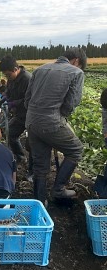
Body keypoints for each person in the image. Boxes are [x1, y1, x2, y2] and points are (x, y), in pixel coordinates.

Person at [24, 47, 87, 205]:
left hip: (31, 121)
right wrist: (59, 117)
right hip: (51, 121)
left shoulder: (39, 69)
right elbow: (70, 104)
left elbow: (27, 99)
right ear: (76, 61)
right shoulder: (76, 72)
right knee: (75, 150)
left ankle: (39, 200)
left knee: (40, 164)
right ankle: (58, 189)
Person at [0, 55, 32, 166]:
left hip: (30, 115)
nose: (7, 77)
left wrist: (14, 103)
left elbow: (30, 99)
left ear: (16, 69)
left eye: (8, 74)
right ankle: (20, 157)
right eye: (5, 75)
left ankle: (33, 169)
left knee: (32, 143)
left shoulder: (27, 79)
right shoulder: (11, 79)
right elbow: (8, 91)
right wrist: (5, 96)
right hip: (19, 114)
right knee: (10, 133)